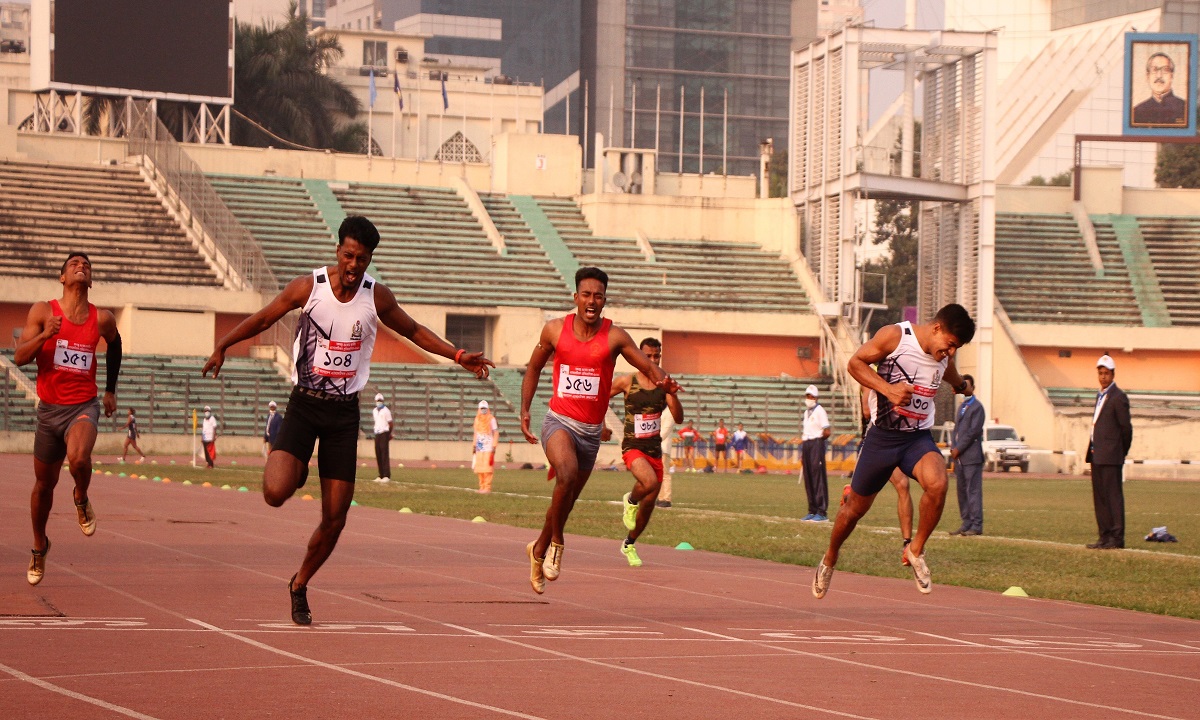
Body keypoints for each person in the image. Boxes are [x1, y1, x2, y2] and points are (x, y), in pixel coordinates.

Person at [203, 215, 493, 624]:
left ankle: (300, 583)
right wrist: (223, 345)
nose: (354, 265)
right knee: (274, 491)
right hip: (304, 405)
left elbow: (413, 330)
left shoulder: (376, 297)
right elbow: (266, 317)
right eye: (349, 255)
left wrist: (458, 355)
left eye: (362, 258)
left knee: (335, 518)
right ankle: (298, 467)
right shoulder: (310, 287)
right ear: (338, 250)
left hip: (343, 413)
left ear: (370, 259)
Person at [519, 267, 678, 594]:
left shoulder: (615, 336)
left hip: (590, 433)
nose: (592, 301)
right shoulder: (553, 330)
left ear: (605, 300)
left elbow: (646, 365)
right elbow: (534, 367)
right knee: (566, 473)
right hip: (559, 421)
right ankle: (558, 544)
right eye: (586, 295)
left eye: (599, 296)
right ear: (576, 297)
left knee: (566, 499)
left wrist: (664, 381)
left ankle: (538, 548)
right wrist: (524, 409)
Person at [814, 303, 975, 599]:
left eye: (956, 348)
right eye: (951, 344)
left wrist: (963, 385)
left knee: (938, 483)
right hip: (882, 439)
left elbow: (952, 375)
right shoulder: (896, 336)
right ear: (937, 328)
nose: (950, 352)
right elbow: (855, 364)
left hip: (917, 439)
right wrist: (888, 390)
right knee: (853, 511)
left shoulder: (943, 359)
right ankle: (830, 557)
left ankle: (915, 550)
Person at [14, 252, 121, 586]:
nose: (82, 266)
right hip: (49, 410)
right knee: (44, 486)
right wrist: (46, 334)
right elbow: (19, 357)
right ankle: (39, 545)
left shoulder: (101, 319)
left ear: (90, 280)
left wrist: (110, 390)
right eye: (74, 263)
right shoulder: (43, 311)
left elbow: (115, 346)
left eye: (87, 265)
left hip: (82, 406)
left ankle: (80, 496)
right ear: (62, 277)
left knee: (78, 458)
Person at [612, 337, 684, 566]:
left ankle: (629, 544)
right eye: (648, 356)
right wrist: (600, 426)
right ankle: (631, 499)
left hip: (654, 450)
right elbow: (600, 398)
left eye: (657, 356)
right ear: (638, 356)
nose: (653, 360)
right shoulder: (626, 381)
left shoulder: (664, 383)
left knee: (649, 505)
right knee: (650, 483)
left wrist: (672, 393)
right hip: (633, 447)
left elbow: (679, 418)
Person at [1086, 354, 1132, 550]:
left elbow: (1126, 429)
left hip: (1112, 455)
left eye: (1106, 373)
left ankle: (1116, 536)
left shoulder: (1118, 397)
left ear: (1113, 374)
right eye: (1100, 373)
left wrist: (1120, 451)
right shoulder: (1100, 395)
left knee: (1113, 497)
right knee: (1100, 498)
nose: (1103, 377)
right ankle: (1104, 535)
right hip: (1097, 454)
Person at [949, 374, 985, 536]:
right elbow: (957, 430)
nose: (964, 388)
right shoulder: (962, 406)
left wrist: (959, 449)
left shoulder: (977, 407)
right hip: (959, 458)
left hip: (971, 456)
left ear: (973, 388)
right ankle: (966, 522)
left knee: (973, 491)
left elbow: (972, 432)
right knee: (962, 491)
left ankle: (976, 525)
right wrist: (953, 447)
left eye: (966, 385)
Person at [800, 384, 831, 522]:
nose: (809, 398)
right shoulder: (806, 413)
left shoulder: (820, 411)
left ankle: (821, 511)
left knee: (817, 476)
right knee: (808, 477)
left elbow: (827, 430)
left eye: (811, 396)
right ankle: (812, 509)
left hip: (816, 443)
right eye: (807, 396)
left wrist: (819, 441)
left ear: (816, 397)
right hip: (806, 443)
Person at [1132, 52, 1187, 127]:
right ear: (1148, 76)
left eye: (1165, 70)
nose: (1159, 76)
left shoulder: (1184, 108)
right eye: (1154, 70)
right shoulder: (1137, 111)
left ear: (1172, 76)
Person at [472, 400, 499, 493]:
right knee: (479, 467)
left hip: (488, 446)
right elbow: (475, 433)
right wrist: (474, 445)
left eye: (485, 408)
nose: (483, 410)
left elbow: (495, 433)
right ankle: (482, 486)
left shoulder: (492, 419)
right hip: (479, 447)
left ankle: (487, 487)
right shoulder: (476, 419)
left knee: (487, 468)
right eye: (482, 408)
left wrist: (494, 446)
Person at [372, 392, 394, 483]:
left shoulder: (386, 411)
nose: (379, 402)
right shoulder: (374, 411)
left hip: (384, 432)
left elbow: (390, 423)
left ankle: (386, 475)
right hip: (377, 433)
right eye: (378, 400)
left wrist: (389, 434)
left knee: (384, 453)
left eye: (380, 400)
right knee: (378, 453)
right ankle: (380, 474)